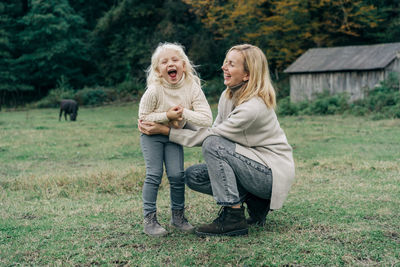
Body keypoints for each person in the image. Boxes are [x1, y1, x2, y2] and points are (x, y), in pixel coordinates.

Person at [138, 44, 295, 237]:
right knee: (193, 175)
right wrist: (177, 120)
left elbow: (213, 137)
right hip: (250, 164)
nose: (224, 67)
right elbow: (212, 129)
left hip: (270, 174)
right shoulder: (228, 95)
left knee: (213, 144)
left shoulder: (253, 107)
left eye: (231, 64)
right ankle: (255, 201)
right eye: (225, 62)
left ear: (247, 74)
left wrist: (166, 131)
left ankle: (233, 216)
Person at [138, 42, 213, 237]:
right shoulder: (154, 90)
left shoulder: (192, 88)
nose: (170, 64)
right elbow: (143, 118)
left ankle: (178, 217)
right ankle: (150, 220)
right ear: (158, 70)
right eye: (164, 62)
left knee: (177, 175)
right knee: (154, 175)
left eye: (174, 60)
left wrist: (182, 112)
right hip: (152, 136)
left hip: (173, 136)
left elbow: (207, 119)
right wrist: (167, 116)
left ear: (184, 65)